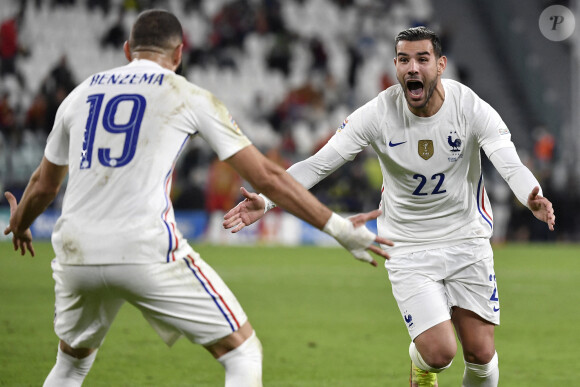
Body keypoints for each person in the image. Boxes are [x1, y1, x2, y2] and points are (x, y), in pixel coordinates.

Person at [3, 10, 392, 387]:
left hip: (76, 252)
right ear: (178, 54)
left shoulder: (78, 95)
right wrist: (340, 228)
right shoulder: (186, 94)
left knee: (70, 367)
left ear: (127, 50)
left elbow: (43, 186)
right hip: (144, 247)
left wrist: (19, 224)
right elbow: (267, 177)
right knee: (242, 354)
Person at [223, 26, 556, 387]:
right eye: (403, 59)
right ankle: (420, 364)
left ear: (441, 64)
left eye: (422, 59)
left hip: (467, 240)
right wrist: (268, 198)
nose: (412, 67)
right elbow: (319, 163)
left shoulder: (470, 108)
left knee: (480, 354)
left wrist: (530, 195)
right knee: (439, 353)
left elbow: (508, 161)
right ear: (395, 66)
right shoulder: (378, 113)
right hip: (407, 246)